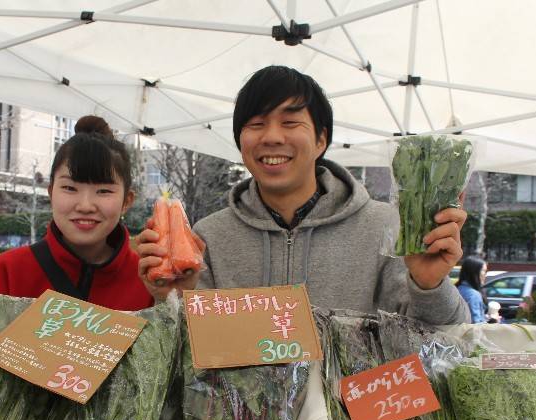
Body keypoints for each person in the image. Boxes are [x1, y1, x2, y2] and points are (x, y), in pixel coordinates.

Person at [136, 65, 469, 325]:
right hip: (243, 415)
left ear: (321, 140)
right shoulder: (209, 237)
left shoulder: (385, 227)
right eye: (256, 124)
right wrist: (173, 299)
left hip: (349, 412)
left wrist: (428, 286)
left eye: (291, 122)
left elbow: (446, 339)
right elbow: (192, 356)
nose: (272, 136)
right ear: (240, 142)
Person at [0, 116, 153, 311]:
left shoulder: (150, 280)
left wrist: (174, 297)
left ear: (127, 201)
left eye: (103, 191)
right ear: (51, 192)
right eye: (70, 188)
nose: (85, 206)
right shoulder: (7, 273)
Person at [455, 256, 488, 324]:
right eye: (484, 271)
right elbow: (475, 326)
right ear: (474, 272)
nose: (485, 274)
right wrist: (493, 321)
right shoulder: (473, 295)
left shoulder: (457, 289)